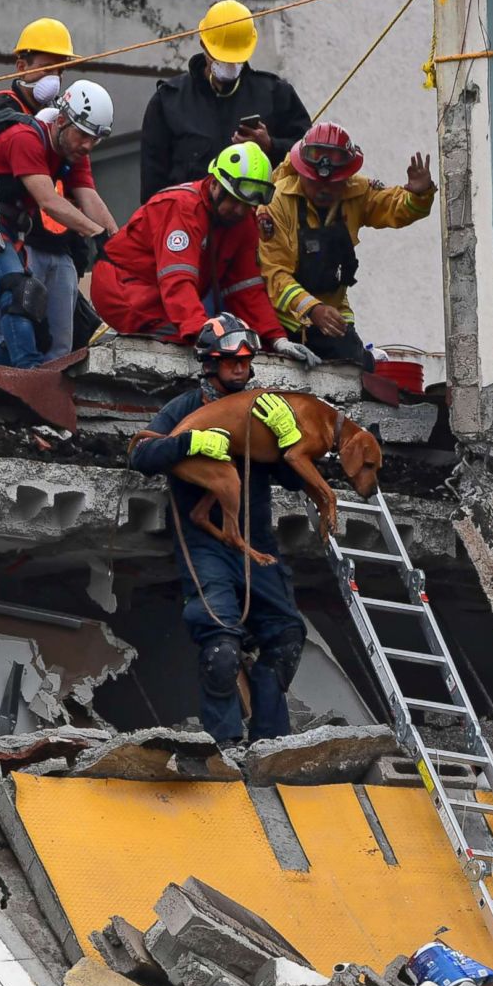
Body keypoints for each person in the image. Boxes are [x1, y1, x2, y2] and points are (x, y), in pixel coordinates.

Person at [128, 313, 311, 743]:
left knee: (286, 639)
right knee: (222, 651)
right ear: (210, 362)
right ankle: (225, 745)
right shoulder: (188, 408)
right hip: (206, 543)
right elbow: (140, 455)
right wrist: (187, 443)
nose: (240, 368)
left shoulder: (264, 407)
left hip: (257, 544)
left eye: (246, 362)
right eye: (231, 361)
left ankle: (270, 743)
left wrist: (289, 442)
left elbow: (295, 480)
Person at [0, 79, 118, 367]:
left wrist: (116, 241)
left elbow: (89, 197)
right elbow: (48, 201)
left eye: (95, 139)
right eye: (84, 136)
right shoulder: (26, 138)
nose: (88, 145)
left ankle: (3, 378)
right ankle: (30, 377)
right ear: (61, 120)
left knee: (39, 323)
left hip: (8, 228)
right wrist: (96, 234)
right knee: (20, 294)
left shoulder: (72, 150)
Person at [91, 142, 320, 367]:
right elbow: (177, 281)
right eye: (234, 200)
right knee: (182, 343)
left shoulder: (241, 221)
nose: (240, 210)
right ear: (216, 185)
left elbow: (246, 288)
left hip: (161, 293)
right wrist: (202, 332)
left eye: (247, 204)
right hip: (121, 286)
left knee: (229, 346)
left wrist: (276, 339)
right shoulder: (181, 208)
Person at [258, 122, 436, 370]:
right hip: (285, 318)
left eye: (332, 184)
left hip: (333, 315)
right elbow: (273, 274)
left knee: (359, 371)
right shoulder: (276, 202)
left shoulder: (356, 191)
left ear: (345, 178)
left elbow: (393, 207)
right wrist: (312, 309)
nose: (323, 190)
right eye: (315, 183)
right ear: (302, 172)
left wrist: (420, 194)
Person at [139, 0, 311, 203]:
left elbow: (308, 156)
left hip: (257, 222)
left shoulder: (275, 94)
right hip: (191, 223)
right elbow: (153, 186)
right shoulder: (168, 102)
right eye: (221, 57)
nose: (229, 65)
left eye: (235, 58)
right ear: (204, 45)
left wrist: (271, 146)